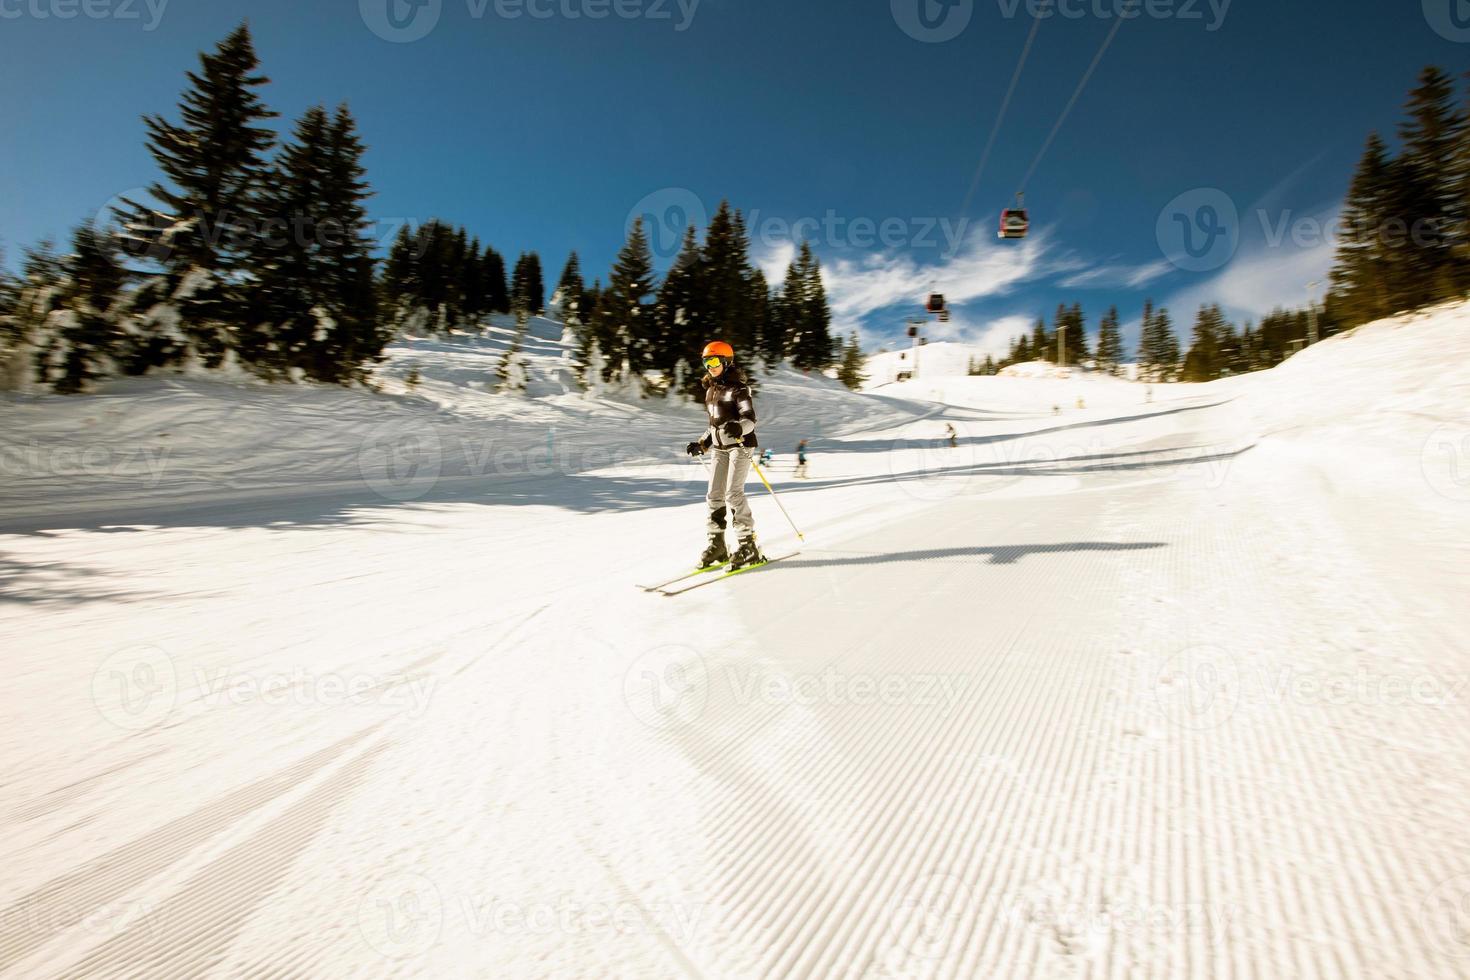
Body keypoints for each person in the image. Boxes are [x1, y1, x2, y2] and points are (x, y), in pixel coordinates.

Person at [685, 341, 766, 569]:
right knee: (714, 495)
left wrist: (740, 427)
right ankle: (717, 545)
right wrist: (702, 443)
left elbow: (750, 419)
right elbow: (715, 425)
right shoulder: (711, 390)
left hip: (740, 445)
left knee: (733, 493)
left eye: (713, 361)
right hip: (720, 449)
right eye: (705, 362)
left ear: (726, 361)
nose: (709, 366)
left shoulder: (739, 389)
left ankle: (747, 544)